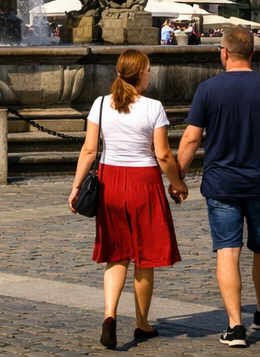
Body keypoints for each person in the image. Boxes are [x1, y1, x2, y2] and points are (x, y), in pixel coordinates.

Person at [176, 28, 260, 348]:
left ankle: (234, 326)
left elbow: (190, 138)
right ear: (253, 54)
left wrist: (177, 179)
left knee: (227, 250)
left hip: (221, 184)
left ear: (224, 52)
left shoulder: (208, 89)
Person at [69, 49, 186, 350]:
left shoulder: (100, 104)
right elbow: (162, 155)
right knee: (144, 256)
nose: (151, 74)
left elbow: (88, 150)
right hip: (144, 183)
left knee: (116, 254)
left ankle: (109, 316)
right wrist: (178, 184)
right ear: (140, 74)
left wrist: (76, 186)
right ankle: (142, 323)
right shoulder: (153, 107)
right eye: (148, 70)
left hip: (111, 182)